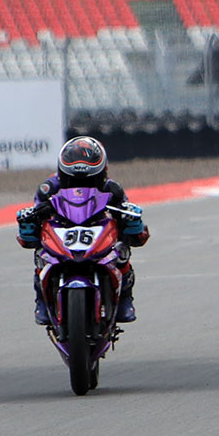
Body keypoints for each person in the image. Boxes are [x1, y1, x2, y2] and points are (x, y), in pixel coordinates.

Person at [16, 136, 149, 325]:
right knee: (41, 255)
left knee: (122, 252)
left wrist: (130, 218)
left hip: (97, 229)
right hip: (62, 229)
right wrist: (31, 217)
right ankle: (42, 302)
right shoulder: (48, 187)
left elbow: (127, 212)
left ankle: (125, 300)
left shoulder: (113, 188)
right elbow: (35, 212)